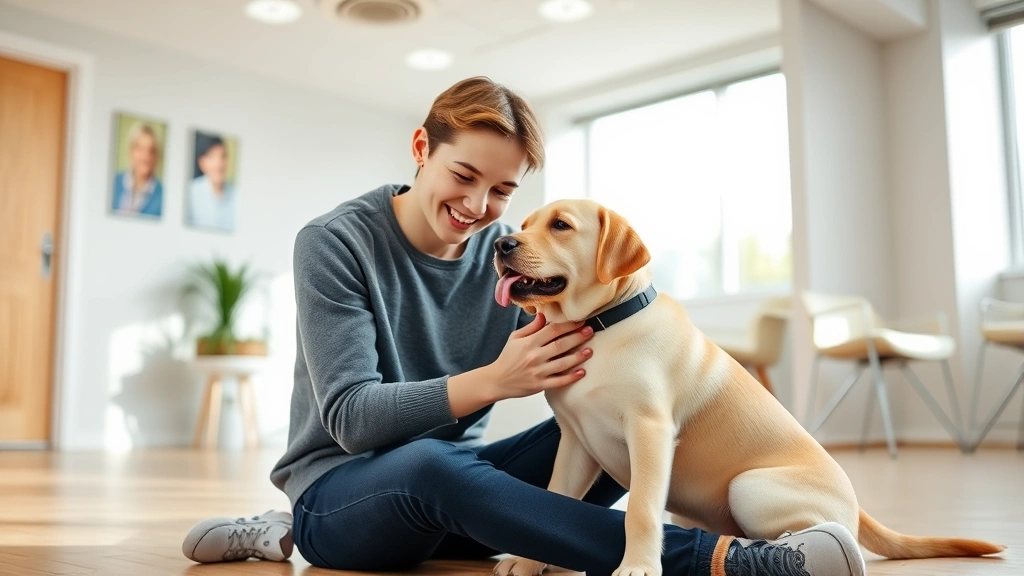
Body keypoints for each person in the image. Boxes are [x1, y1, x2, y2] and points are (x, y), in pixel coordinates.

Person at [181, 77, 866, 576]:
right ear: (422, 147)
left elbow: (613, 316)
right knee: (426, 465)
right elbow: (352, 421)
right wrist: (494, 381)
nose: (480, 207)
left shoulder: (514, 254)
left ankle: (539, 541)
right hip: (342, 494)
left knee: (605, 425)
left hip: (454, 484)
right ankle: (729, 564)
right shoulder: (334, 241)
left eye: (503, 190)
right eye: (464, 175)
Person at [111, 122, 164, 217]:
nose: (146, 156)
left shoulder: (162, 196)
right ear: (131, 151)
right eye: (140, 148)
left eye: (151, 150)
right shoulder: (113, 183)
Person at [187, 133, 236, 231]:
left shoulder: (237, 194)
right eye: (212, 157)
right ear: (202, 163)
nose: (219, 164)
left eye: (223, 157)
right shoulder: (190, 192)